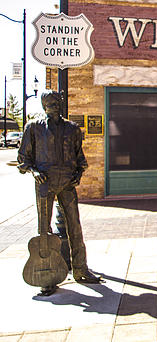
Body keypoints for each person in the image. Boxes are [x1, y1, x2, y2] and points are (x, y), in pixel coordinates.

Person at [18, 90, 101, 296]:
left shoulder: (72, 129)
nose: (52, 106)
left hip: (67, 183)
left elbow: (80, 158)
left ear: (60, 103)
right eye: (48, 103)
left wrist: (79, 174)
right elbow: (23, 159)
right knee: (43, 230)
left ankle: (81, 269)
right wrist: (34, 171)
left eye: (55, 102)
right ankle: (46, 276)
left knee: (75, 226)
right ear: (43, 105)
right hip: (45, 182)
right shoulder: (34, 128)